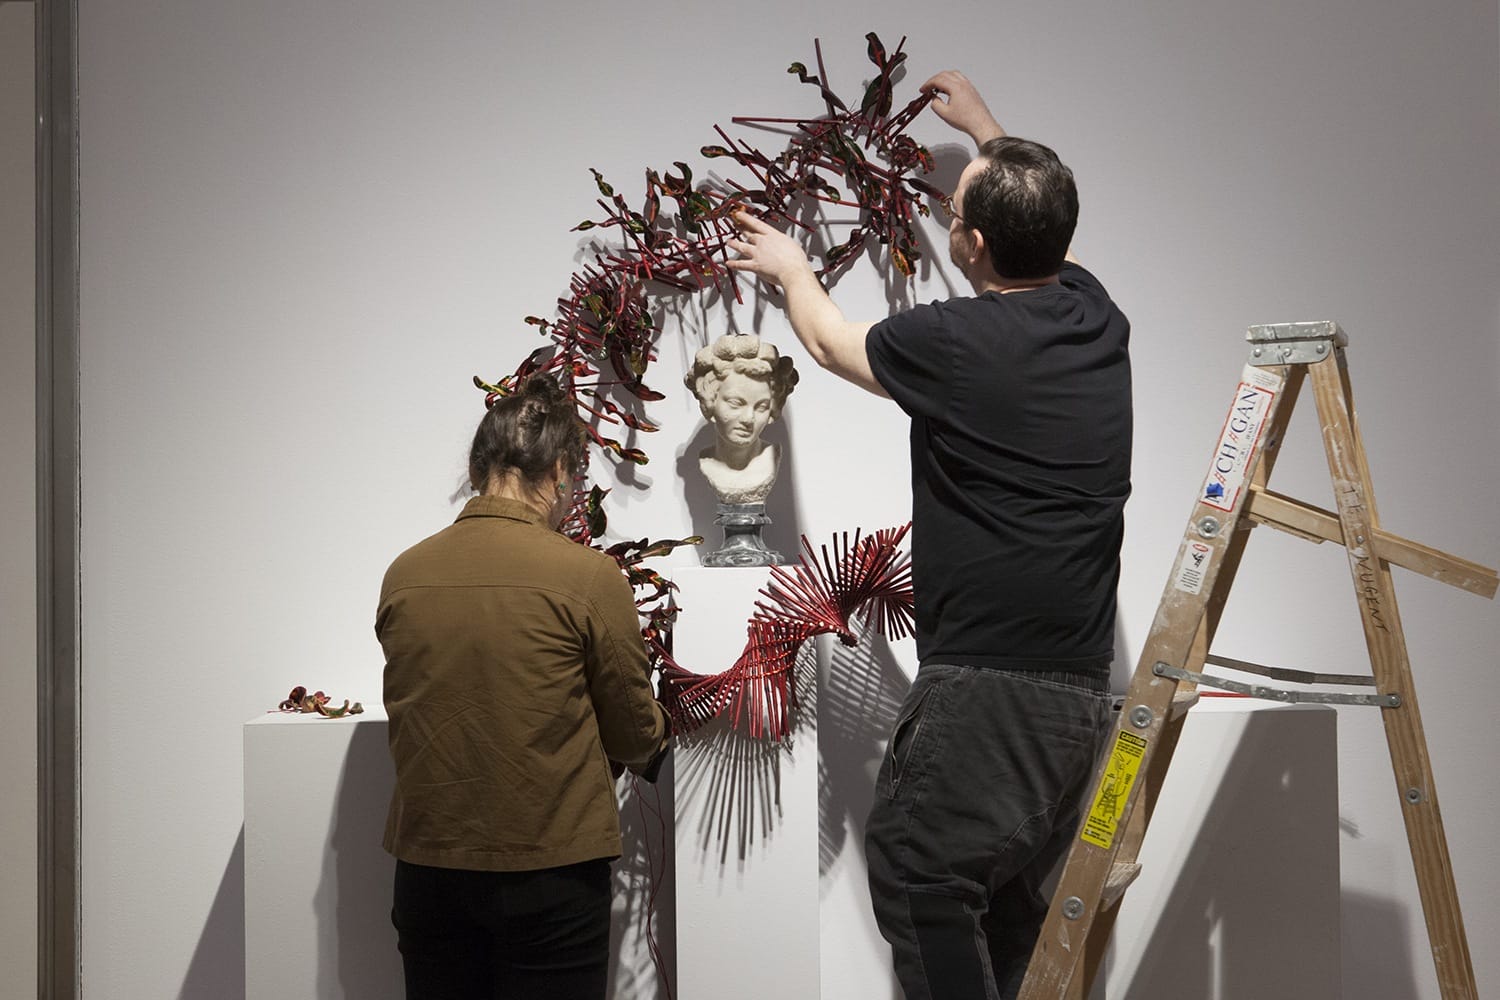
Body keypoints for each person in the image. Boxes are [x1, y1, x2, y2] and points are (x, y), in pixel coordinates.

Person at [726, 70, 1130, 1000]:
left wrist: (794, 269)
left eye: (957, 214)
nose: (948, 219)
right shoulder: (1093, 315)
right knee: (1018, 906)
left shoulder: (953, 342)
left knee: (917, 871)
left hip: (989, 687)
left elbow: (829, 344)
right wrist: (988, 128)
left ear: (973, 244)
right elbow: (1037, 227)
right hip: (1077, 697)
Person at [377, 374, 671, 1000]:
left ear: (477, 466)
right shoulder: (587, 577)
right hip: (551, 870)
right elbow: (634, 733)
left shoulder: (404, 574)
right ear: (562, 469)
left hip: (429, 866)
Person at [683, 333, 799, 504]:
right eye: (736, 403)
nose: (748, 419)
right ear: (710, 401)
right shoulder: (706, 462)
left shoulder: (771, 458)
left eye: (761, 407)